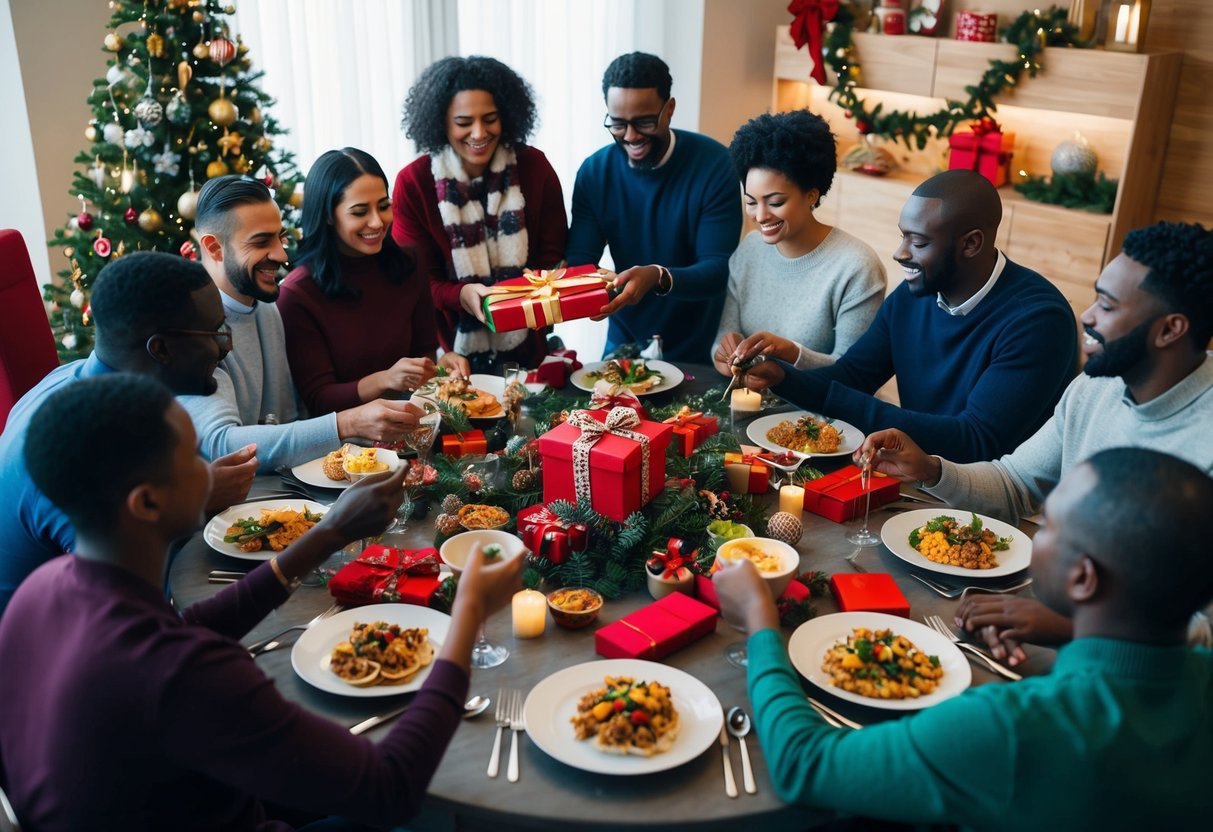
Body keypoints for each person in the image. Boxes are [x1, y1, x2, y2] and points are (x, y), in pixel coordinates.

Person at [0, 373, 523, 831]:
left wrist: (327, 533)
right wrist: (468, 613)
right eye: (193, 457)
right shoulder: (181, 677)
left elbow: (188, 628)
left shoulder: (43, 591)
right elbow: (391, 788)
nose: (214, 466)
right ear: (148, 501)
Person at [715, 447, 1213, 829]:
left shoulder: (1010, 726)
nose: (1035, 536)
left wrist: (761, 619)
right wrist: (1071, 631)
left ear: (1084, 579)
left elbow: (805, 766)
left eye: (1051, 525)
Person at [855, 221, 1213, 663]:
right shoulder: (1094, 388)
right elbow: (1015, 482)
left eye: (1107, 305)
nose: (1087, 315)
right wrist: (931, 469)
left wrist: (1068, 627)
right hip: (1047, 612)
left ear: (1169, 330)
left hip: (1145, 672)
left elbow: (1205, 626)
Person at [735, 168, 1077, 463]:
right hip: (916, 475)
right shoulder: (916, 295)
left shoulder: (1038, 321)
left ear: (971, 244)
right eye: (903, 237)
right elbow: (853, 376)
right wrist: (782, 376)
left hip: (998, 510)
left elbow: (975, 441)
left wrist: (826, 395)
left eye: (919, 242)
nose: (900, 253)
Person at [0, 252, 256, 618]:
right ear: (161, 348)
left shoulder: (75, 380)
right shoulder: (87, 451)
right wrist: (193, 498)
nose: (224, 349)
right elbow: (135, 622)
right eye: (215, 334)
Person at [181, 175, 423, 470]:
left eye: (280, 238)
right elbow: (222, 444)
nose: (282, 255)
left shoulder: (266, 310)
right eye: (261, 242)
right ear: (214, 248)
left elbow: (289, 419)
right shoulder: (188, 324)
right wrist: (347, 423)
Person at [392, 56, 567, 374]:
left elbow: (552, 260)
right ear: (440, 122)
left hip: (532, 350)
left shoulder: (536, 168)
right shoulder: (413, 184)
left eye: (490, 119)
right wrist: (462, 295)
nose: (478, 133)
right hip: (452, 358)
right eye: (463, 122)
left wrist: (520, 295)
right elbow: (416, 282)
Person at [565, 52, 742, 362]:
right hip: (624, 345)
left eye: (644, 122)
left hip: (701, 350)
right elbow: (581, 262)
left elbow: (718, 269)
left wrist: (658, 276)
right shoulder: (594, 172)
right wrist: (586, 290)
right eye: (618, 124)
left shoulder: (715, 164)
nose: (631, 137)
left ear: (669, 109)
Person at [279, 147, 470, 416]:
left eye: (383, 206)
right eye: (359, 212)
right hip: (346, 448)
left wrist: (439, 366)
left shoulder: (410, 263)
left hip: (413, 422)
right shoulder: (297, 294)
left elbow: (423, 351)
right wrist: (385, 379)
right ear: (327, 215)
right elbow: (318, 399)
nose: (377, 222)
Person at [712, 109, 885, 374]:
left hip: (819, 414)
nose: (760, 216)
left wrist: (790, 354)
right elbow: (725, 335)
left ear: (811, 195)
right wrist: (725, 355)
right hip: (750, 405)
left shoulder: (856, 266)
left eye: (776, 202)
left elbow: (855, 373)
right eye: (750, 202)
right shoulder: (750, 249)